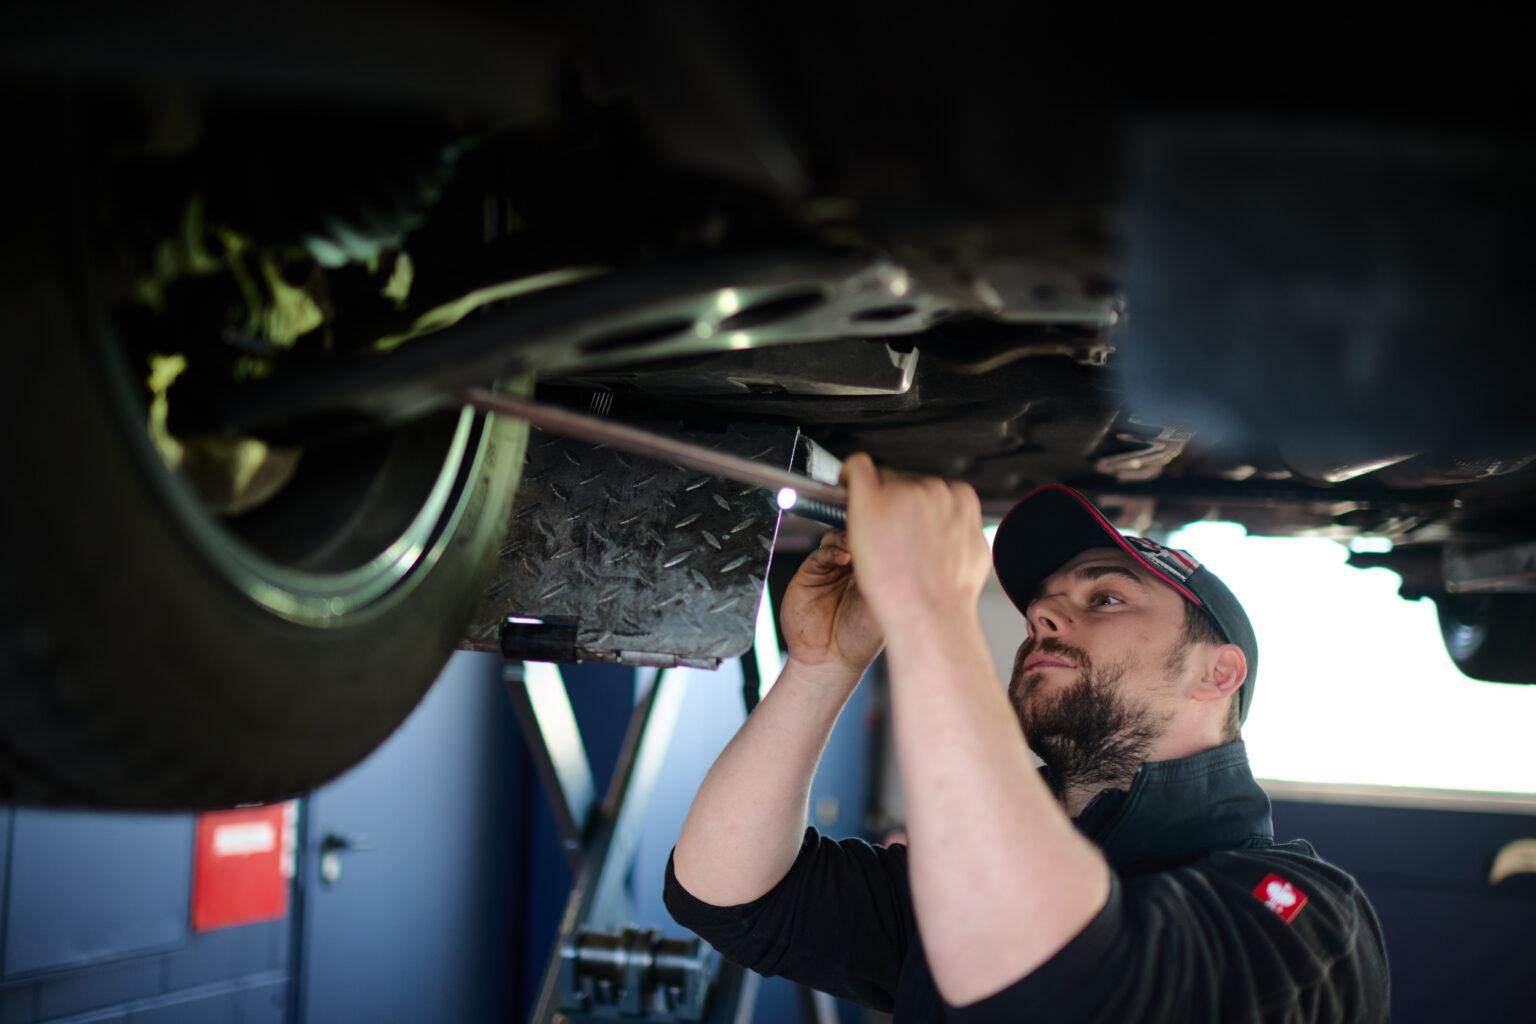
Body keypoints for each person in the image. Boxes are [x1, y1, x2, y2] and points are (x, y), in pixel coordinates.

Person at [664, 457, 1391, 1022]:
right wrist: (824, 667)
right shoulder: (964, 877)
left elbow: (1065, 987)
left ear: (1217, 672)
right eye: (1043, 606)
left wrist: (932, 610)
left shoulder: (1310, 917)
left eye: (1104, 598)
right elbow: (732, 897)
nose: (1041, 617)